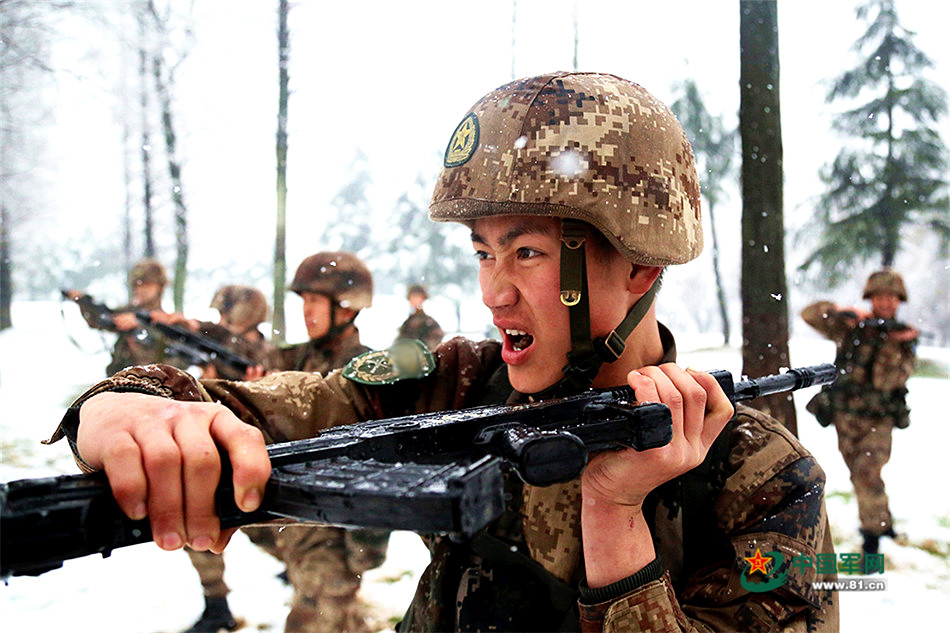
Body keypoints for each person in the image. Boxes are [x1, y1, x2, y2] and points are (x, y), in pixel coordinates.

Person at [50, 72, 837, 632]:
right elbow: (290, 406)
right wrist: (129, 402)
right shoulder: (459, 382)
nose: (495, 292)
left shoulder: (764, 478)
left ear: (639, 267)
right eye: (482, 254)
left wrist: (615, 513)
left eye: (527, 253)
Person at [268, 252, 389, 633]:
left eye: (315, 302)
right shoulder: (297, 358)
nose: (306, 311)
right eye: (303, 301)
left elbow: (377, 466)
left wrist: (363, 553)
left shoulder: (368, 370)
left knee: (316, 621)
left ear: (347, 308)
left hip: (335, 537)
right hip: (295, 528)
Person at [180, 284, 276, 633]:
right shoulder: (219, 346)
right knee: (200, 534)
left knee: (282, 541)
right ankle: (217, 606)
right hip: (219, 461)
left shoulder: (265, 354)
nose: (220, 321)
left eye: (226, 315)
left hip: (259, 464)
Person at [801, 269, 917, 554]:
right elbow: (809, 314)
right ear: (871, 298)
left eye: (892, 297)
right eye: (880, 296)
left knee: (867, 472)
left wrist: (893, 343)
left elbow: (893, 379)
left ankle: (872, 537)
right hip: (845, 416)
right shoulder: (852, 327)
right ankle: (881, 521)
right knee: (860, 473)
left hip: (879, 419)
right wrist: (841, 311)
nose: (887, 302)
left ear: (899, 300)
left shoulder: (903, 336)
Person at [66, 258, 189, 376]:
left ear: (160, 287)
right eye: (138, 285)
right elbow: (104, 319)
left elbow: (179, 359)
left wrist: (141, 325)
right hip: (122, 380)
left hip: (154, 385)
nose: (141, 290)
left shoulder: (170, 322)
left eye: (147, 284)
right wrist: (85, 302)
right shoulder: (128, 312)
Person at [395, 284, 444, 351]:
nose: (414, 300)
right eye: (412, 297)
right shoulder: (408, 322)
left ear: (423, 299)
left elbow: (435, 343)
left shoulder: (429, 322)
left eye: (416, 296)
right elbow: (399, 343)